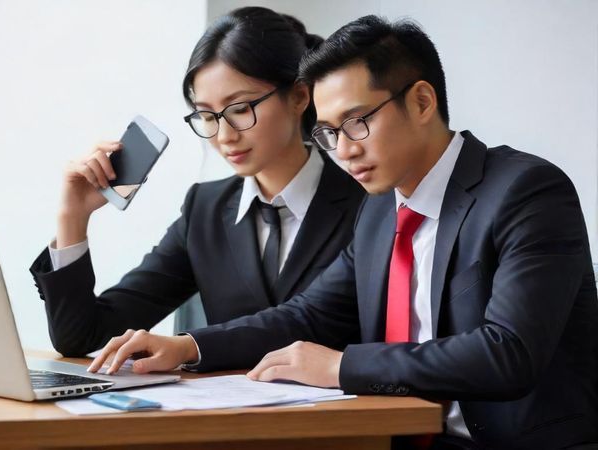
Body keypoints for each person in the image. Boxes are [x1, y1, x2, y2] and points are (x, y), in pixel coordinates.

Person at [88, 15, 598, 449]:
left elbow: (507, 353)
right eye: (329, 132)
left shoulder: (525, 191)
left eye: (357, 122)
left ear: (422, 102)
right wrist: (188, 347)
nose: (344, 150)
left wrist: (340, 367)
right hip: (392, 437)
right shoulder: (378, 212)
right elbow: (308, 314)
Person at [29, 7, 365, 357]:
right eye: (207, 115)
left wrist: (189, 346)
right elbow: (81, 337)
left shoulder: (368, 205)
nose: (224, 136)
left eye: (240, 109)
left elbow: (309, 323)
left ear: (298, 96)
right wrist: (73, 217)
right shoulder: (205, 210)